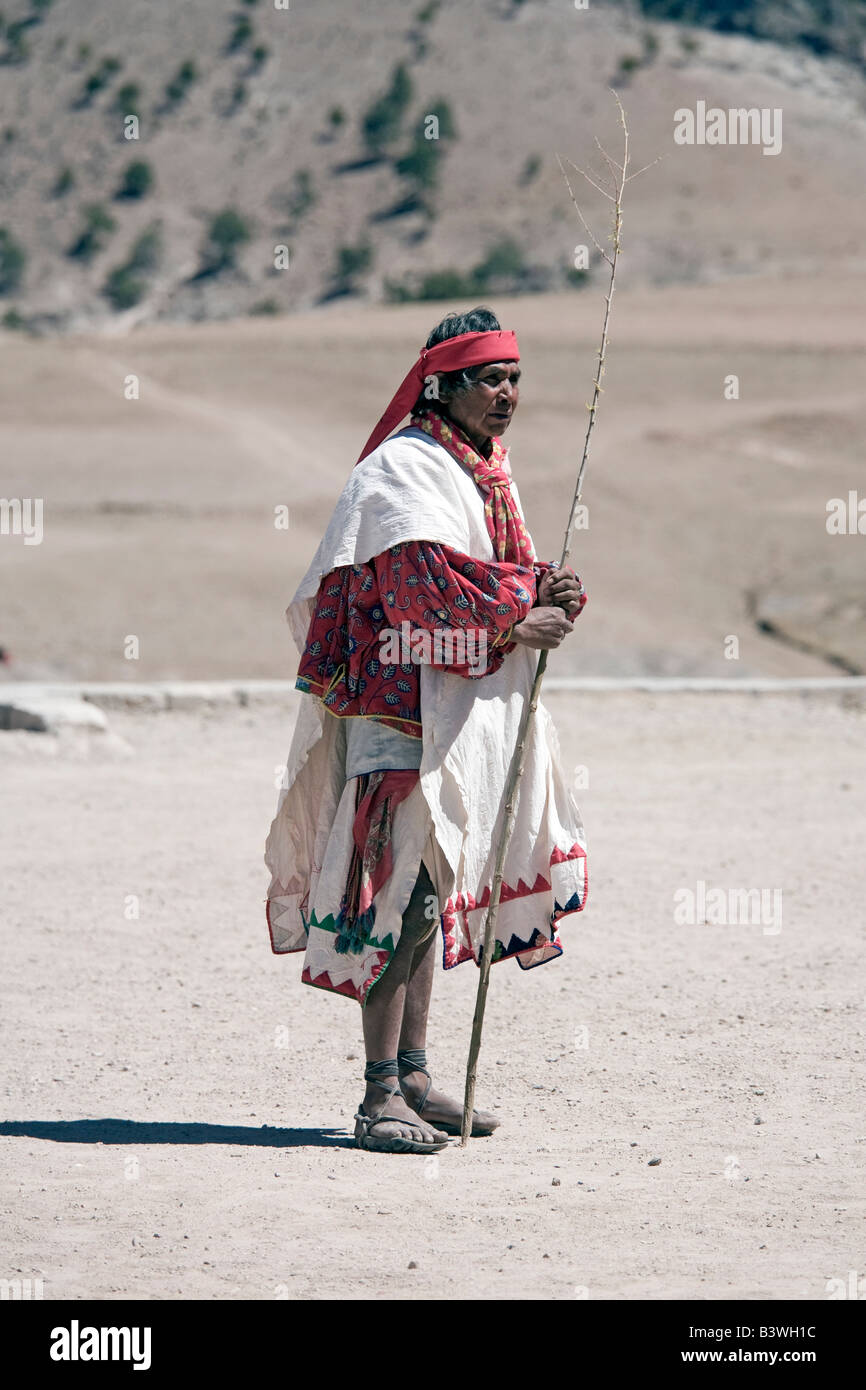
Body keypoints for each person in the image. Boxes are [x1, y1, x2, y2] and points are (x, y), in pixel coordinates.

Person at [264, 306, 588, 1154]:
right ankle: (377, 1101)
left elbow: (494, 576)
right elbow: (422, 601)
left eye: (515, 376)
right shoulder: (403, 471)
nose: (508, 393)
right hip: (397, 707)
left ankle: (412, 1075)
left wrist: (545, 592)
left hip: (452, 707)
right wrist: (521, 617)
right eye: (491, 378)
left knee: (433, 890)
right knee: (396, 896)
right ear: (442, 385)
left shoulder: (484, 473)